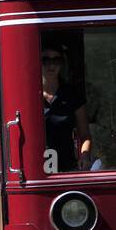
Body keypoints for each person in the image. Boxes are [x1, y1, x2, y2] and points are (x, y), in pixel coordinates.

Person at [40, 43, 91, 172]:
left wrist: (84, 155)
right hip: (37, 171)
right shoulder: (28, 96)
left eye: (56, 60)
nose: (51, 65)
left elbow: (85, 135)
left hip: (67, 169)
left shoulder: (72, 96)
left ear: (62, 64)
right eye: (45, 60)